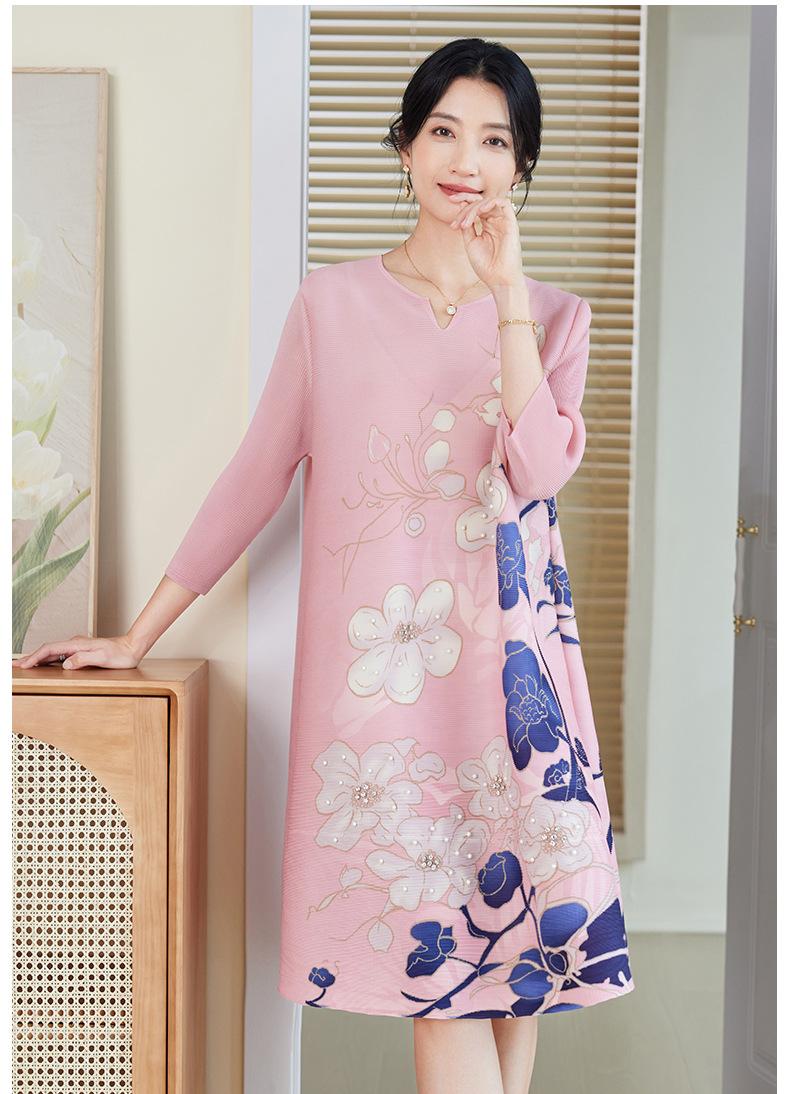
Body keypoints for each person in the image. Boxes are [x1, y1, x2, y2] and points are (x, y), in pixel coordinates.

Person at [15, 37, 635, 1094]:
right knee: (442, 979)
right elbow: (254, 477)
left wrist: (508, 297)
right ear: (404, 146)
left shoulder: (555, 317)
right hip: (389, 698)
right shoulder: (330, 308)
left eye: (495, 141)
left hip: (517, 687)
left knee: (516, 972)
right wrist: (137, 635)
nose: (466, 160)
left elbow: (535, 468)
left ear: (521, 166)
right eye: (443, 130)